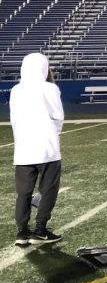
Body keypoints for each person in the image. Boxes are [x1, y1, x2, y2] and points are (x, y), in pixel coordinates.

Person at [11, 53, 64, 246]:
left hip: (23, 150)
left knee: (23, 193)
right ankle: (40, 230)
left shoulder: (16, 89)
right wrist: (53, 134)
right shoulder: (50, 88)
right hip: (47, 148)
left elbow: (14, 120)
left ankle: (22, 232)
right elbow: (58, 117)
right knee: (49, 189)